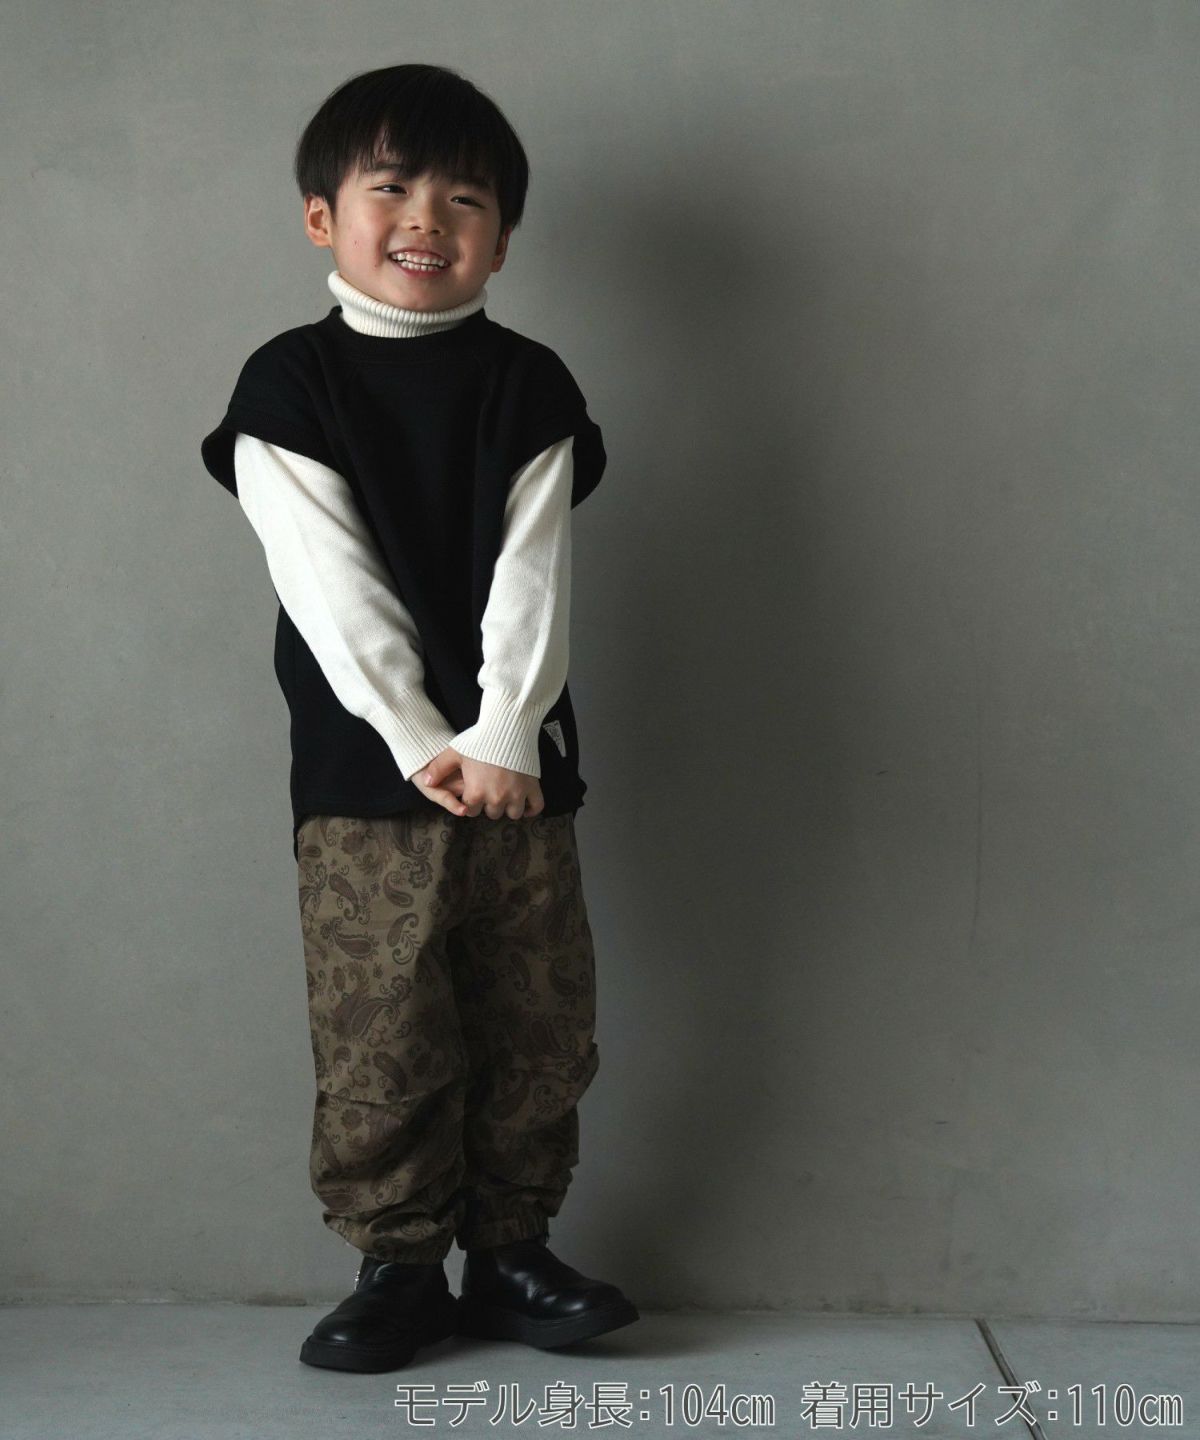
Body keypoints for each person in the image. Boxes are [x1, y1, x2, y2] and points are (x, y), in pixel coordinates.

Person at [200, 62, 637, 1374]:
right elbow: (329, 588)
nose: (427, 220)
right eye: (390, 189)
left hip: (518, 770)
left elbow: (535, 572)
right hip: (366, 774)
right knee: (383, 1029)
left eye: (467, 199)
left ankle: (512, 1252)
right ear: (322, 217)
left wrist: (504, 734)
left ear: (503, 238)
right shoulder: (290, 385)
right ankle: (397, 1267)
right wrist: (422, 740)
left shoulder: (528, 384)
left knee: (535, 1020)